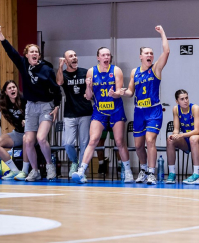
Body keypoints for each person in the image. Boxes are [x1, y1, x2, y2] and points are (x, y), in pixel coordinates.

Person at [0, 25, 62, 182]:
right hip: (30, 106)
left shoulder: (46, 69)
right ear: (26, 55)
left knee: (41, 138)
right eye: (31, 51)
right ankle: (35, 170)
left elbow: (57, 90)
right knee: (28, 140)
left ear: (39, 55)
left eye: (36, 52)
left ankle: (50, 166)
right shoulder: (23, 64)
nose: (35, 53)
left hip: (46, 105)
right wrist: (0, 35)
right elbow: (10, 52)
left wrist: (56, 106)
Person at [71, 47, 134, 183]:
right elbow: (88, 97)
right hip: (99, 110)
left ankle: (128, 171)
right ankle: (81, 171)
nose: (106, 57)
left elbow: (119, 92)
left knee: (119, 141)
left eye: (108, 55)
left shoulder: (116, 70)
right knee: (93, 140)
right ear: (98, 57)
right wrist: (88, 87)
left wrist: (114, 94)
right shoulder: (91, 72)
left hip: (116, 110)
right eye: (103, 55)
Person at [122, 25, 170, 185]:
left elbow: (167, 52)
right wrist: (121, 92)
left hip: (154, 111)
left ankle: (151, 172)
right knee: (138, 145)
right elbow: (130, 92)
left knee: (150, 140)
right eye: (146, 53)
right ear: (140, 57)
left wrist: (162, 33)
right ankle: (143, 170)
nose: (150, 55)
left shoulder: (156, 69)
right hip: (139, 112)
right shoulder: (134, 72)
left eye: (151, 53)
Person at [56, 50, 93, 177]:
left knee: (84, 143)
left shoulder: (85, 72)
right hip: (70, 113)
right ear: (66, 61)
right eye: (71, 56)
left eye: (75, 55)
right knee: (68, 143)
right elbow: (59, 82)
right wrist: (60, 67)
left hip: (85, 112)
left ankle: (81, 170)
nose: (74, 58)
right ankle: (74, 161)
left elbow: (91, 90)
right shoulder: (63, 74)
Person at [165, 90, 199, 184]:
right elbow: (176, 129)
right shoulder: (176, 109)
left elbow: (197, 131)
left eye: (186, 98)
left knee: (193, 138)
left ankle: (196, 173)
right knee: (170, 140)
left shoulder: (195, 108)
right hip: (188, 138)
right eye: (182, 99)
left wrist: (181, 135)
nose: (185, 101)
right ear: (177, 101)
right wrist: (174, 135)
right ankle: (172, 173)